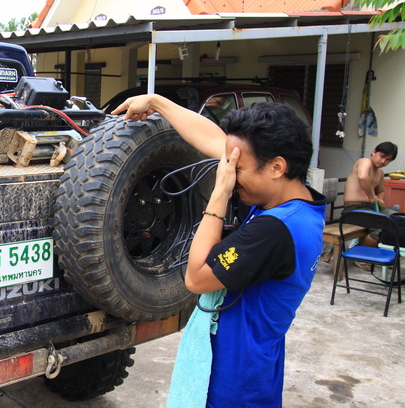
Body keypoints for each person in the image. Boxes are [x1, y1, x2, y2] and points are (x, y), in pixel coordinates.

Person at [111, 95, 326, 407]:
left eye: (236, 168)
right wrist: (156, 103)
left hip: (234, 383)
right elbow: (213, 139)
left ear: (277, 166)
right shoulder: (298, 205)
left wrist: (219, 194)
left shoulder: (274, 231)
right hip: (256, 365)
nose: (229, 173)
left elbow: (196, 278)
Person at [343, 142, 398, 246]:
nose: (383, 161)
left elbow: (381, 191)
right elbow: (362, 177)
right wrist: (372, 197)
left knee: (397, 219)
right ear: (374, 151)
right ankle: (358, 253)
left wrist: (380, 201)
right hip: (354, 209)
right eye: (382, 156)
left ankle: (383, 251)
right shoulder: (364, 162)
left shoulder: (380, 173)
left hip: (371, 208)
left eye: (388, 160)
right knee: (379, 228)